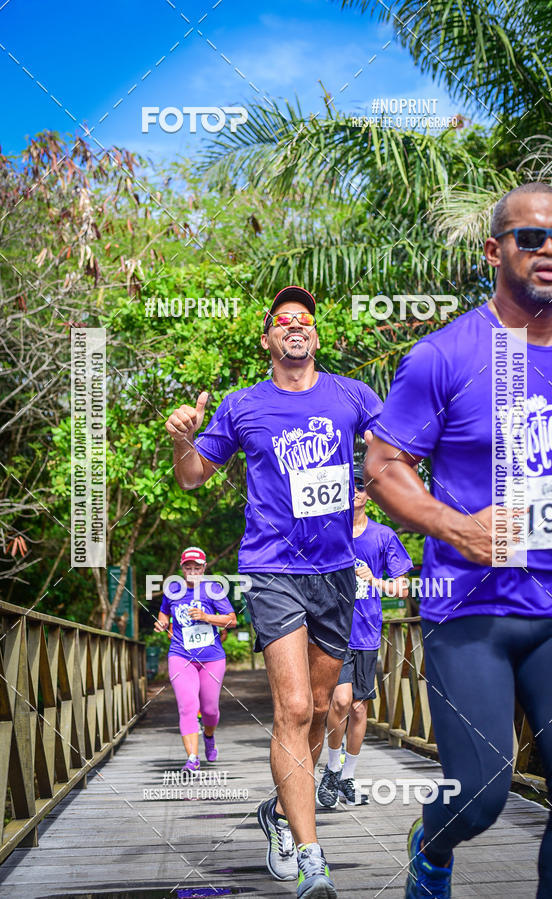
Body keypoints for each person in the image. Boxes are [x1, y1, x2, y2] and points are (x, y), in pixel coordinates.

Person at [364, 182, 552, 899]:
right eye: (531, 237)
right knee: (479, 793)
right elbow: (383, 465)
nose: (550, 249)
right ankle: (431, 844)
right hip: (469, 608)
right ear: (495, 250)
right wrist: (453, 524)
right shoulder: (444, 355)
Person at [165, 285, 382, 898]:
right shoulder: (243, 405)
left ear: (315, 334)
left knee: (320, 707)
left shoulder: (352, 395)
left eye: (304, 319)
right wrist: (182, 436)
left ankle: (282, 812)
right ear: (267, 339)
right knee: (292, 707)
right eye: (283, 319)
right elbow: (191, 478)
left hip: (335, 573)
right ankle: (313, 861)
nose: (295, 325)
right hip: (272, 570)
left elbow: (395, 454)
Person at [317, 465, 412, 808]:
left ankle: (348, 776)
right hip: (334, 631)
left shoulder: (383, 536)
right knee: (340, 702)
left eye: (360, 486)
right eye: (349, 486)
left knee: (359, 710)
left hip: (368, 632)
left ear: (369, 493)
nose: (354, 491)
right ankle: (331, 768)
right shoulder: (329, 532)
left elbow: (402, 588)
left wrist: (374, 580)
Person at [155, 546, 237, 770]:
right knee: (188, 706)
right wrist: (162, 622)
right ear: (182, 568)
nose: (192, 572)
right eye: (188, 567)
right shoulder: (173, 589)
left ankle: (209, 736)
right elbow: (164, 611)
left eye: (197, 568)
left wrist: (206, 617)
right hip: (180, 655)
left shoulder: (213, 589)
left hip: (211, 658)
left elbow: (232, 620)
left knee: (210, 710)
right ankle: (192, 758)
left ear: (204, 568)